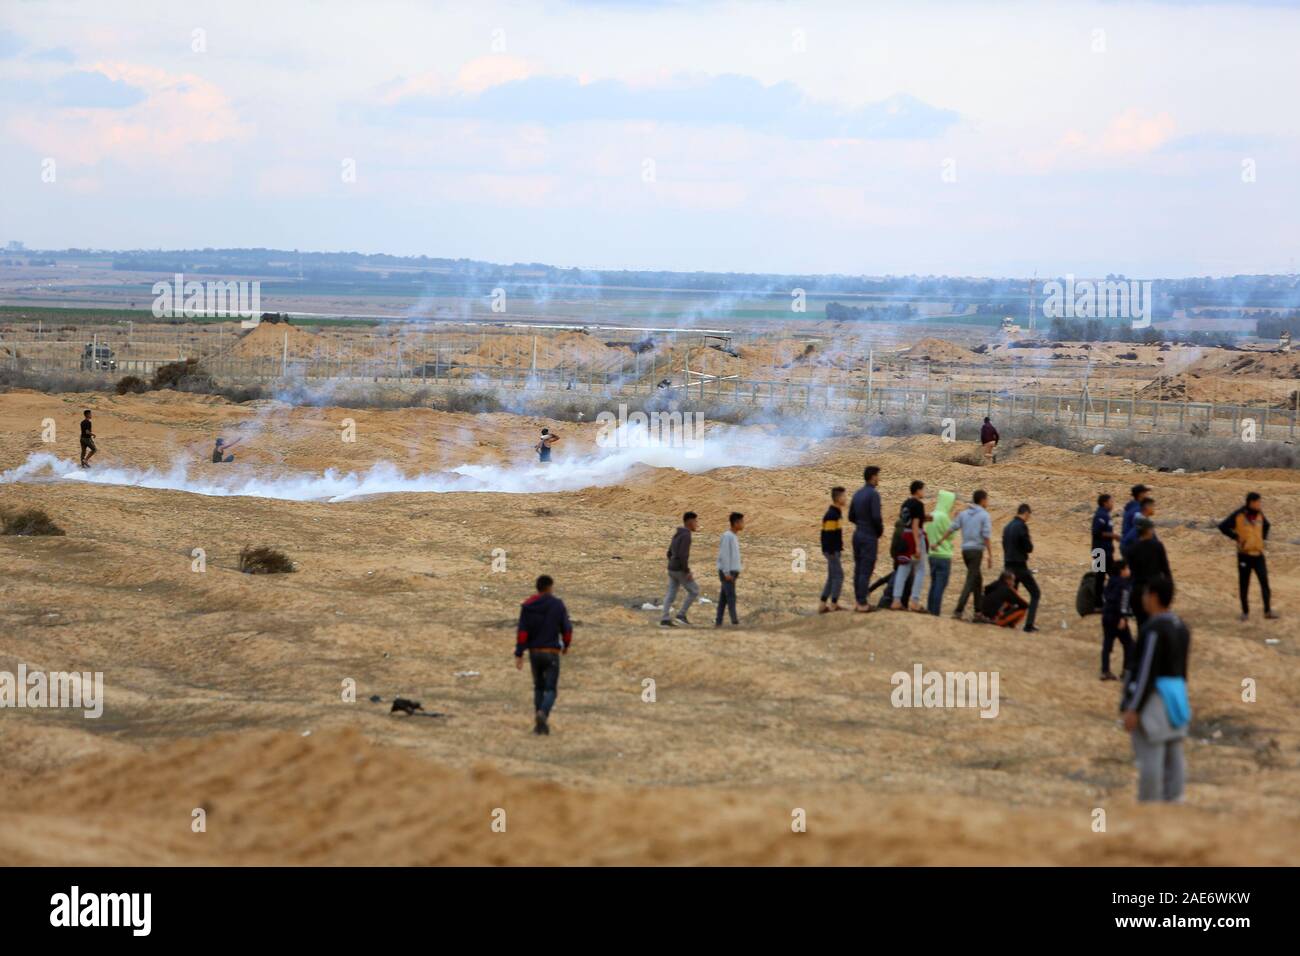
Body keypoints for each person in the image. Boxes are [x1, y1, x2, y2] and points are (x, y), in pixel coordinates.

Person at [1120, 575, 1190, 803]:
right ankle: (1175, 800)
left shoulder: (1154, 629)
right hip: (1177, 695)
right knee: (1174, 753)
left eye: (1145, 594)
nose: (1142, 598)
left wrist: (1132, 707)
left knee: (1151, 756)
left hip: (1155, 698)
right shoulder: (1181, 627)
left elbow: (1145, 671)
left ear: (1154, 597)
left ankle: (1149, 805)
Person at [514, 574, 573, 736]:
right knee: (551, 690)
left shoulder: (528, 606)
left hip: (534, 653)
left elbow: (522, 633)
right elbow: (567, 629)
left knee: (538, 687)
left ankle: (539, 726)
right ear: (550, 587)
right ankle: (543, 714)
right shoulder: (557, 605)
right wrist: (566, 645)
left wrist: (519, 654)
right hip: (551, 653)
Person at [1218, 492, 1277, 621]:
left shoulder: (1260, 514)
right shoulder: (1239, 514)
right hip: (1244, 556)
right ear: (1251, 502)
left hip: (1258, 555)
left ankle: (1267, 611)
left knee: (1264, 582)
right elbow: (1222, 526)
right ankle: (1245, 612)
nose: (1260, 504)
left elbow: (1267, 525)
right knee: (1244, 584)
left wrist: (1262, 539)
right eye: (1258, 502)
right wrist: (1236, 537)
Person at [937, 489, 994, 621]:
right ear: (983, 500)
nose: (988, 502)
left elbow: (952, 528)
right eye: (987, 499)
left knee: (977, 580)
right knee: (971, 580)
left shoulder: (964, 514)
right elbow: (986, 537)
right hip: (976, 552)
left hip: (965, 551)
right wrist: (990, 555)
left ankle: (978, 612)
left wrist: (940, 541)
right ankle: (958, 610)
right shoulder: (984, 515)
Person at [847, 466, 883, 612]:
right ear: (873, 477)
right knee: (866, 569)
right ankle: (862, 603)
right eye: (878, 476)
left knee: (858, 568)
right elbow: (876, 517)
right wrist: (878, 531)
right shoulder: (873, 495)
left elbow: (851, 516)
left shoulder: (858, 493)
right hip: (868, 535)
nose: (879, 479)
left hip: (858, 534)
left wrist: (861, 524)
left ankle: (858, 601)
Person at [1001, 503, 1040, 632]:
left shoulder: (1007, 527)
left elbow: (1004, 545)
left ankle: (1006, 621)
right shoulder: (1022, 527)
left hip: (1008, 565)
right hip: (1020, 566)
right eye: (1029, 516)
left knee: (1011, 594)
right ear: (1026, 513)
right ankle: (1029, 625)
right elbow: (1028, 548)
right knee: (1035, 593)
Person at [891, 481, 928, 612]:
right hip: (914, 536)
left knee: (903, 568)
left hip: (904, 536)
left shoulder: (905, 504)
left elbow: (906, 519)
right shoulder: (918, 504)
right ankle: (915, 601)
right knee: (920, 569)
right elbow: (915, 524)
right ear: (917, 490)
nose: (924, 492)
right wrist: (917, 546)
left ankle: (896, 600)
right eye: (923, 489)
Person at [1128, 515, 1171, 630]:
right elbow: (1165, 569)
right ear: (1148, 530)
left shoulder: (1132, 549)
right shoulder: (1157, 546)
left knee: (1141, 625)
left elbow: (1130, 573)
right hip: (1154, 590)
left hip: (1137, 591)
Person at [661, 511, 700, 627]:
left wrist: (672, 563)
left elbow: (669, 553)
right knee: (694, 591)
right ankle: (681, 615)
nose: (697, 524)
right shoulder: (686, 535)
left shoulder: (677, 534)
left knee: (671, 593)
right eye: (696, 521)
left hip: (672, 568)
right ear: (690, 522)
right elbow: (683, 555)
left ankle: (665, 618)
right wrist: (686, 571)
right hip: (679, 569)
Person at [1100, 558, 1134, 681]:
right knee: (1129, 643)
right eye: (1127, 568)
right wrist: (1123, 617)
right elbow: (1124, 602)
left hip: (1106, 616)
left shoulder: (1110, 582)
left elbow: (1105, 596)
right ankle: (1126, 671)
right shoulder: (1124, 585)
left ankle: (1105, 671)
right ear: (1122, 571)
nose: (1129, 571)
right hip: (1117, 617)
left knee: (1107, 644)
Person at [923, 490, 956, 616]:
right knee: (940, 585)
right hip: (943, 555)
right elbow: (951, 534)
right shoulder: (943, 517)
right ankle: (935, 612)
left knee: (934, 583)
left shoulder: (932, 514)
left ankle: (930, 609)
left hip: (932, 554)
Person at [820, 487, 847, 613]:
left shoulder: (836, 512)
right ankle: (834, 604)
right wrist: (832, 552)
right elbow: (828, 535)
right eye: (844, 496)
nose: (846, 499)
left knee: (831, 577)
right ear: (838, 498)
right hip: (832, 551)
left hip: (833, 550)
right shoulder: (832, 514)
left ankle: (822, 604)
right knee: (839, 576)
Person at [715, 512, 744, 627]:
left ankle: (718, 622)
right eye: (741, 522)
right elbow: (724, 555)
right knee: (731, 597)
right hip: (727, 572)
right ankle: (734, 622)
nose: (743, 524)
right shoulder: (727, 536)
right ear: (736, 523)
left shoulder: (733, 536)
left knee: (724, 599)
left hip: (731, 572)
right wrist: (726, 572)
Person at [1091, 493, 1119, 605]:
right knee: (1099, 577)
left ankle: (1109, 598)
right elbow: (1097, 532)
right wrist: (1114, 536)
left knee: (1112, 575)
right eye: (1111, 502)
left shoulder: (1106, 515)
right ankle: (1097, 602)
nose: (1113, 504)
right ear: (1105, 503)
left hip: (1106, 551)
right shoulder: (1100, 515)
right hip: (1099, 551)